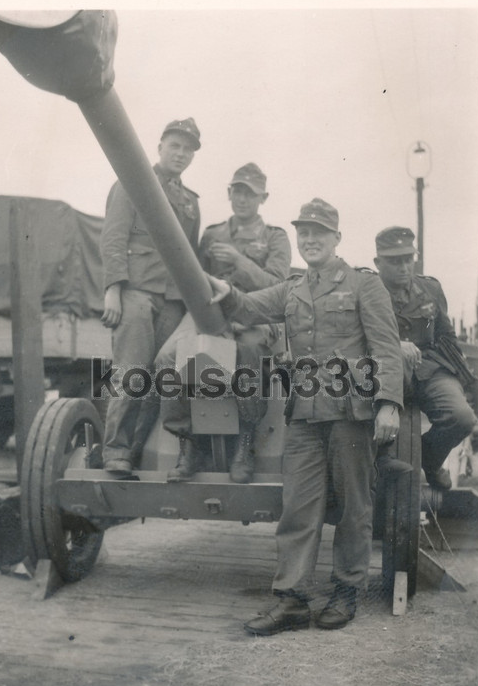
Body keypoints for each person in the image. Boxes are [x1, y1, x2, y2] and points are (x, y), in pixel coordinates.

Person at [208, 198, 404, 635]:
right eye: (304, 232)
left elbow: (387, 349)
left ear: (337, 238)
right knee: (297, 508)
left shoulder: (363, 285)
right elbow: (249, 306)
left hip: (350, 414)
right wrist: (225, 293)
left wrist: (388, 402)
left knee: (355, 507)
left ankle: (346, 590)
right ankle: (292, 600)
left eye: (319, 232)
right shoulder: (293, 289)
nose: (310, 239)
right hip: (304, 418)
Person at [157, 162, 292, 483]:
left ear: (264, 197)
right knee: (166, 358)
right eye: (237, 192)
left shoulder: (276, 237)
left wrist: (239, 262)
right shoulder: (213, 234)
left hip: (256, 311)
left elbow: (279, 286)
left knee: (247, 351)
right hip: (209, 309)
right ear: (229, 193)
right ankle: (188, 442)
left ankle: (245, 442)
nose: (242, 199)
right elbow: (194, 276)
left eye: (250, 194)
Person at [100, 118, 202, 473]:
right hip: (136, 292)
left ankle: (135, 451)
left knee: (162, 380)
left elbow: (190, 256)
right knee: (130, 374)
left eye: (188, 149)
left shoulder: (190, 203)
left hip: (173, 301)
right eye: (175, 145)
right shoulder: (133, 182)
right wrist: (113, 289)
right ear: (160, 146)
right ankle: (115, 451)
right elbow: (113, 236)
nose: (181, 154)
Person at [373, 226, 478, 491]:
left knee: (462, 417)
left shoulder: (430, 289)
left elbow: (445, 337)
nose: (404, 267)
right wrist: (395, 345)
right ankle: (382, 457)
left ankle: (428, 460)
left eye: (408, 259)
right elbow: (355, 336)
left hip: (429, 368)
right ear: (378, 263)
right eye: (395, 261)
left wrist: (466, 378)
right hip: (385, 370)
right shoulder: (367, 292)